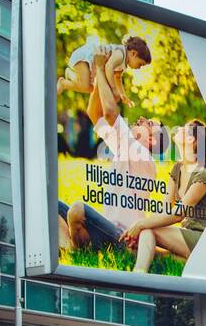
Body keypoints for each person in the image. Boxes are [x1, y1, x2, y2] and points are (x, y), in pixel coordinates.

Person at [60, 47, 170, 250]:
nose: (142, 119)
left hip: (120, 236)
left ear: (152, 141)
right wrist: (95, 82)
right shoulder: (125, 148)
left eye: (148, 124)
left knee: (77, 209)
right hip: (103, 226)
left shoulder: (141, 154)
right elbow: (95, 114)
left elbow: (110, 112)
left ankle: (74, 248)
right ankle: (73, 246)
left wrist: (101, 69)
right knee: (53, 204)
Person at [121, 118, 206, 272]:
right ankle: (182, 261)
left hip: (200, 239)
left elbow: (177, 215)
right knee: (139, 245)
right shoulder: (177, 168)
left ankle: (138, 275)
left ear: (191, 139)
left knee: (148, 231)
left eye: (182, 128)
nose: (177, 129)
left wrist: (141, 224)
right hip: (184, 237)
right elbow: (165, 209)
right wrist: (142, 228)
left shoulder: (203, 174)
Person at [56, 34, 151, 106]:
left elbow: (117, 77)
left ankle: (67, 79)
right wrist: (113, 88)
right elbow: (108, 66)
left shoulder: (123, 63)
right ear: (133, 53)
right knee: (85, 86)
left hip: (90, 63)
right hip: (85, 56)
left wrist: (122, 94)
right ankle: (64, 82)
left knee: (89, 88)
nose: (139, 68)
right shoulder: (120, 54)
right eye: (140, 64)